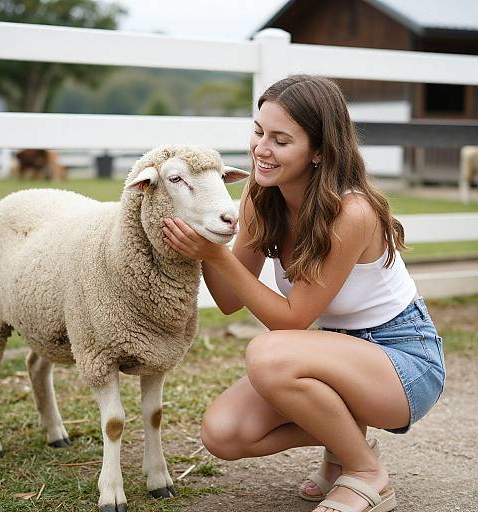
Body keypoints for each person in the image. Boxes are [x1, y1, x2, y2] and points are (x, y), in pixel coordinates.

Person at [162, 75, 446, 512]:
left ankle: (366, 474)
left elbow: (291, 320)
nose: (260, 148)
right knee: (223, 433)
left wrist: (216, 258)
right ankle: (346, 442)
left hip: (403, 361)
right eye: (259, 131)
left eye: (280, 140)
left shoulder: (351, 212)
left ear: (318, 151)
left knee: (268, 354)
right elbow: (228, 300)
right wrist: (202, 236)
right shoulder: (263, 198)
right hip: (336, 355)